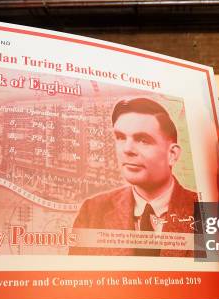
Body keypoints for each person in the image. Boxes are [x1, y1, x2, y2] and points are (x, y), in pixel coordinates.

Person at [73, 97, 197, 255]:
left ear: (172, 154)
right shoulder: (92, 211)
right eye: (120, 137)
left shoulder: (206, 214)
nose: (127, 149)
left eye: (143, 140)